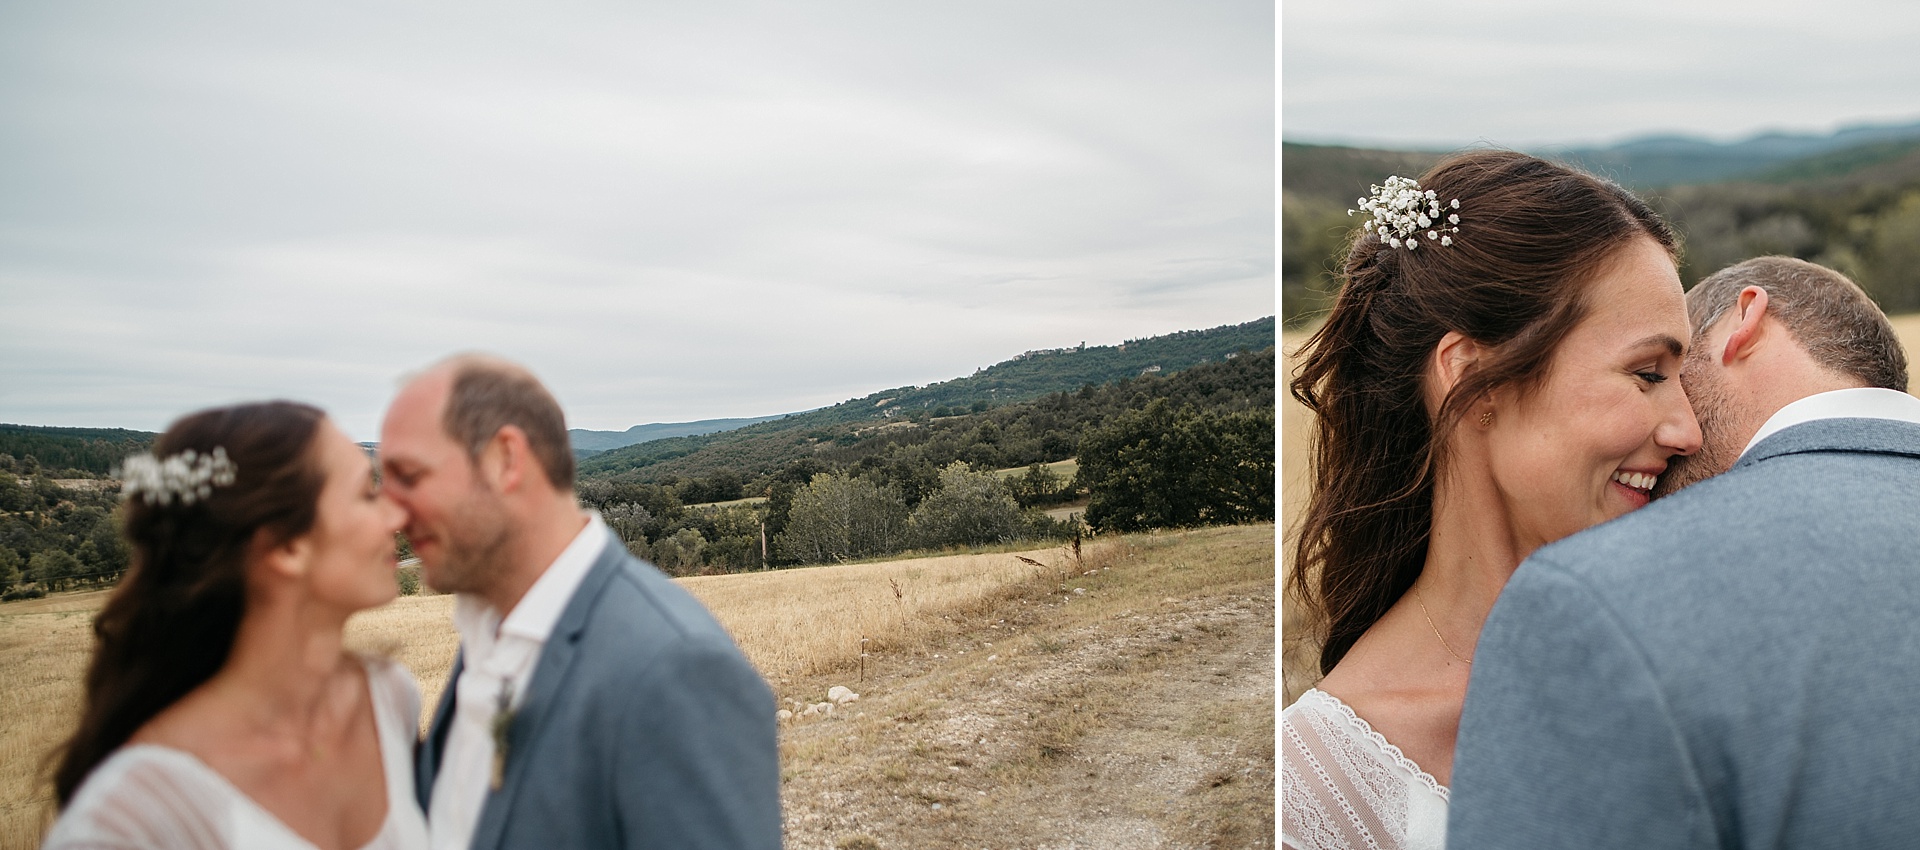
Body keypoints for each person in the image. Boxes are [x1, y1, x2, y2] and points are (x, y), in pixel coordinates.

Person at [1281, 150, 1702, 850]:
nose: (1686, 429)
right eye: (1648, 372)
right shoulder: (1310, 796)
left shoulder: (1705, 675)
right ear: (1475, 382)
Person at [1448, 257, 1920, 848]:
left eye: (1668, 370)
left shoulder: (1589, 599)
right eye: (1650, 374)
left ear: (1745, 320)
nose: (1679, 431)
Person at [379, 354, 781, 850]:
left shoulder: (674, 669)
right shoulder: (488, 633)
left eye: (410, 476)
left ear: (506, 459)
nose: (390, 515)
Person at [45, 401, 428, 849]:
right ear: (286, 547)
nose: (398, 517)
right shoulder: (129, 822)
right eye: (367, 494)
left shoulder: (388, 700)